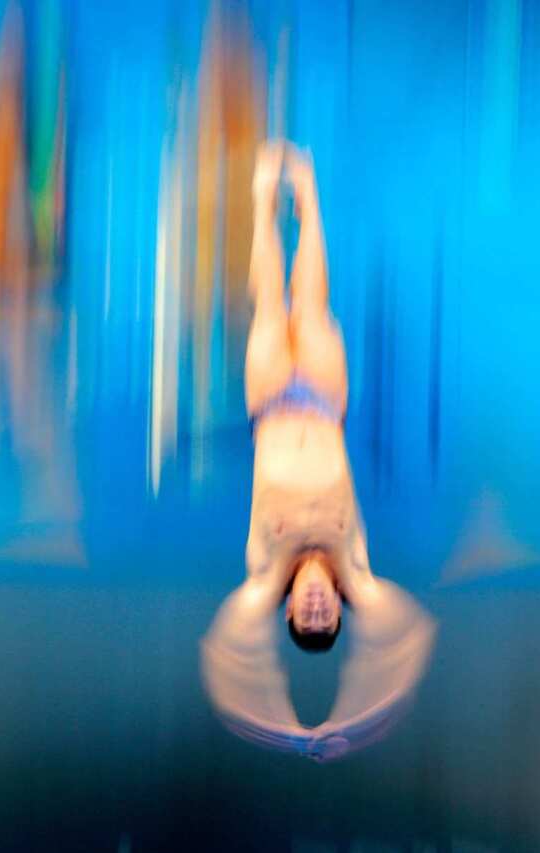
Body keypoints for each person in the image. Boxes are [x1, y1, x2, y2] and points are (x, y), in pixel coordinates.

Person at [200, 143, 434, 762]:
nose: (315, 605)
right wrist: (353, 722)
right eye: (325, 616)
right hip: (325, 402)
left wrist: (282, 726)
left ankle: (260, 198)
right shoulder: (353, 567)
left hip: (272, 403)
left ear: (287, 617)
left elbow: (225, 650)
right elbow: (409, 636)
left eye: (305, 617)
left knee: (271, 304)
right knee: (312, 301)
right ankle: (306, 195)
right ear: (336, 609)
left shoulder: (265, 572)